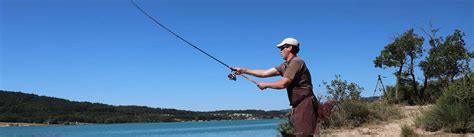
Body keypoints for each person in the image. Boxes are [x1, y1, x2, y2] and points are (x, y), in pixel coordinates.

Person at [232, 38, 318, 136]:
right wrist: (243, 70)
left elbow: (283, 83)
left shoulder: (297, 62)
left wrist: (266, 85)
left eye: (282, 48)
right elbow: (264, 73)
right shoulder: (285, 66)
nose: (280, 51)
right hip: (298, 105)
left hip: (305, 104)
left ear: (289, 48)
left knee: (304, 135)